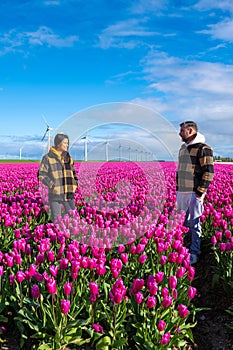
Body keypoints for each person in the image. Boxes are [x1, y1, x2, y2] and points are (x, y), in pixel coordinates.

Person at [176, 121, 214, 264]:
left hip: (194, 192)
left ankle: (194, 251)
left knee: (194, 223)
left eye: (182, 131)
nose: (179, 133)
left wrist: (199, 192)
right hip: (182, 191)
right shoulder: (182, 148)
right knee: (183, 223)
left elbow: (209, 172)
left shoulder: (204, 149)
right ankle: (182, 249)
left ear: (190, 131)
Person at [38, 133, 78, 222]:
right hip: (56, 194)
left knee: (74, 219)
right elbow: (41, 174)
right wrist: (52, 184)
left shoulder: (68, 158)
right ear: (58, 143)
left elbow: (73, 173)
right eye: (65, 143)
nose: (67, 145)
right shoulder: (48, 158)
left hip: (69, 193)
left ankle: (70, 235)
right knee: (56, 219)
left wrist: (75, 183)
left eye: (67, 143)